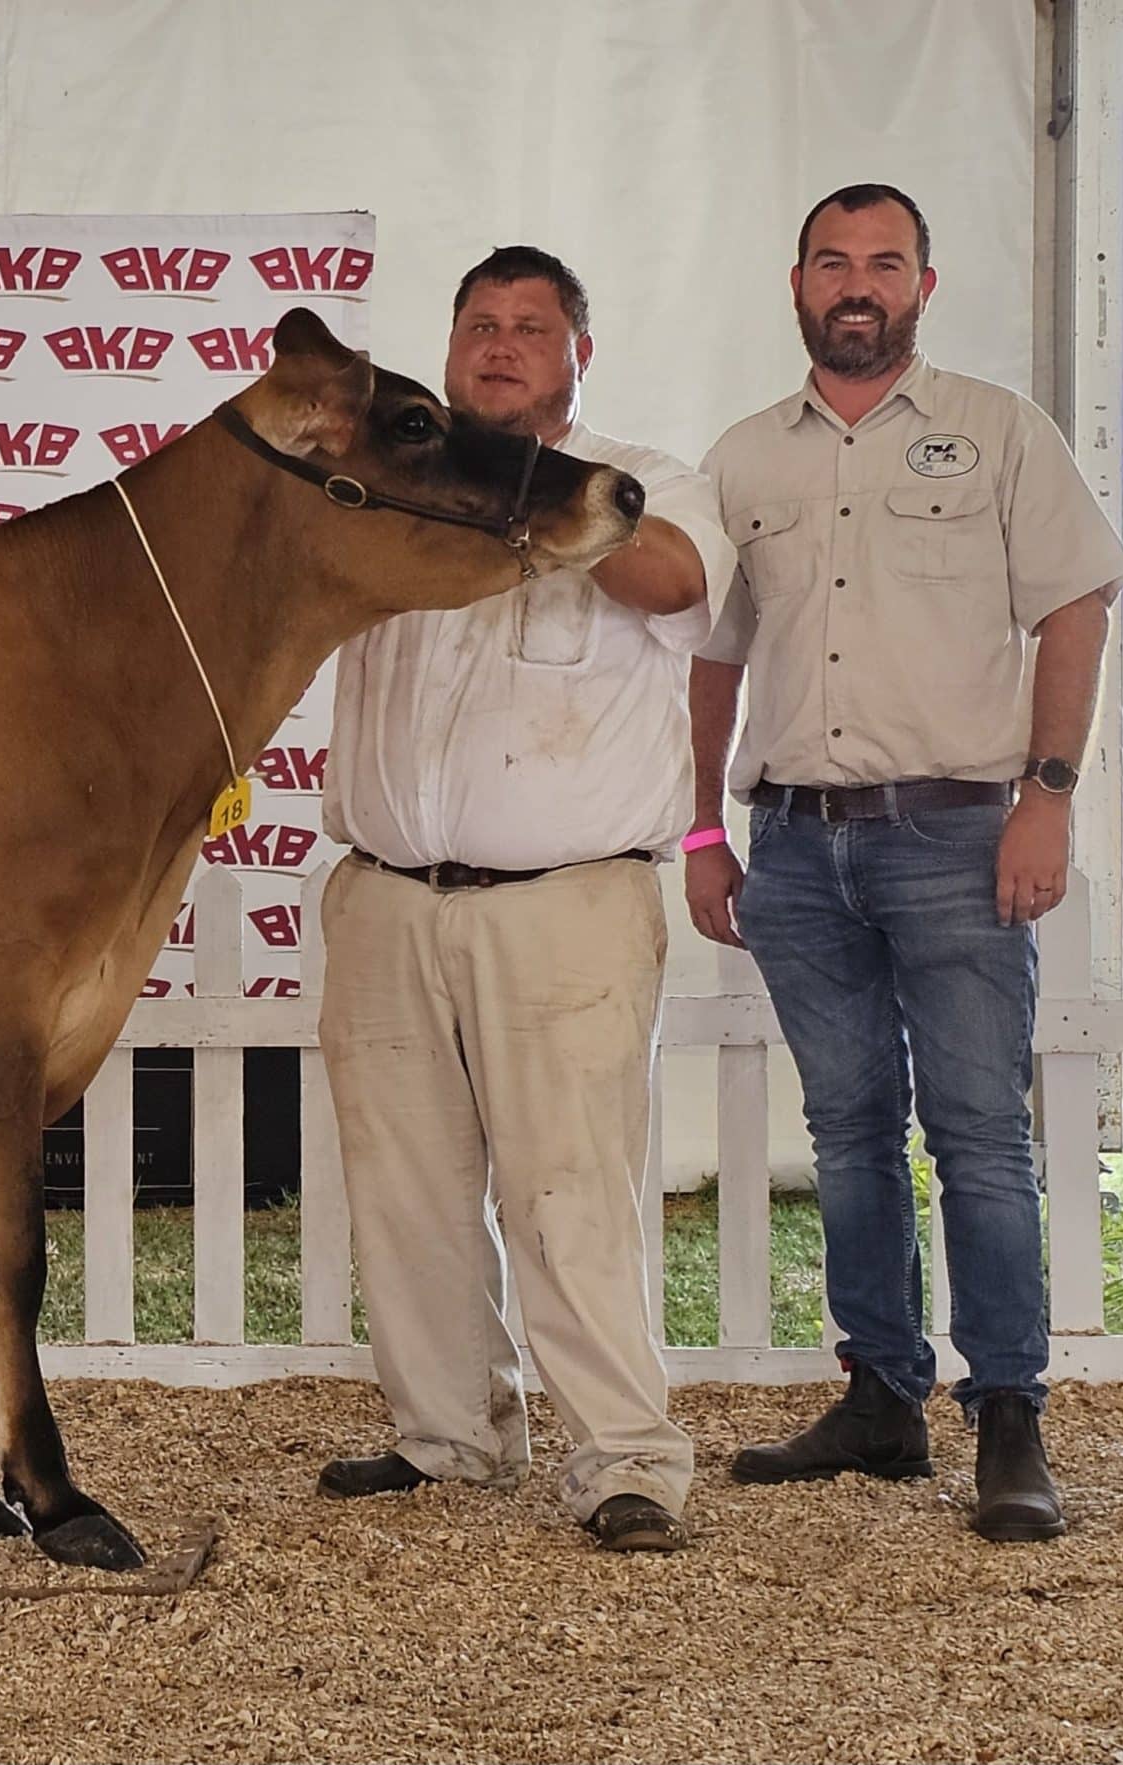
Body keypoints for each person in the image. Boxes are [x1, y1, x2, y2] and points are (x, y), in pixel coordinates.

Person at [685, 183, 1123, 1542]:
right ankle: (881, 1391)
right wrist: (704, 826)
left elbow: (1073, 608)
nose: (859, 282)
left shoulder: (999, 433)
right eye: (835, 261)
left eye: (886, 261)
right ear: (797, 283)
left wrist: (1046, 797)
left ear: (926, 287)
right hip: (798, 848)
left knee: (983, 1136)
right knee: (847, 1132)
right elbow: (711, 655)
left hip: (956, 833)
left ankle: (1008, 1412)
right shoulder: (745, 459)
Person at [316, 246, 734, 1552]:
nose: (500, 345)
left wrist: (528, 495)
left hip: (564, 903)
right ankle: (447, 1434)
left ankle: (626, 1457)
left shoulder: (645, 483)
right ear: (446, 350)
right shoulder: (389, 487)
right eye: (480, 325)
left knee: (570, 1192)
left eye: (530, 328)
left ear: (577, 356)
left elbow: (672, 583)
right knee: (405, 1189)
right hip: (385, 893)